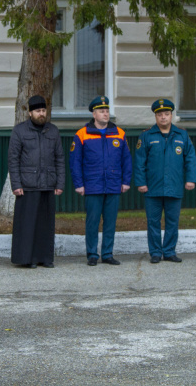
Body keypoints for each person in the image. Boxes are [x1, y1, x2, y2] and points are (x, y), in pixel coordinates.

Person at [69, 96, 132, 266]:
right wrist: (79, 184)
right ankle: (92, 254)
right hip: (92, 184)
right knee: (93, 221)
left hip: (113, 184)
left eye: (107, 111)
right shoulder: (82, 134)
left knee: (110, 222)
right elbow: (75, 162)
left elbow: (126, 159)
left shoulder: (119, 133)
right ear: (94, 114)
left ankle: (107, 253)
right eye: (101, 111)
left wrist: (126, 181)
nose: (105, 114)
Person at [134, 99, 196, 264]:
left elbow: (190, 159)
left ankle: (169, 251)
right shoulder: (147, 135)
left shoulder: (182, 135)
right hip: (152, 188)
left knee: (172, 221)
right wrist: (141, 182)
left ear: (171, 115)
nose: (163, 117)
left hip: (174, 186)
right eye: (160, 114)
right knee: (153, 222)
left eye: (166, 114)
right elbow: (140, 161)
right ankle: (155, 252)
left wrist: (191, 179)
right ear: (155, 116)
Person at [8, 95, 65, 268]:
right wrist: (16, 184)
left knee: (45, 224)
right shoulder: (19, 131)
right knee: (27, 224)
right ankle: (28, 258)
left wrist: (60, 183)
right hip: (28, 185)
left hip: (48, 183)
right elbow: (13, 159)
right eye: (38, 111)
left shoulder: (53, 131)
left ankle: (45, 258)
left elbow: (59, 159)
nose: (42, 114)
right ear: (30, 113)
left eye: (43, 110)